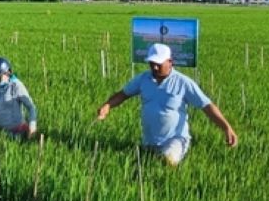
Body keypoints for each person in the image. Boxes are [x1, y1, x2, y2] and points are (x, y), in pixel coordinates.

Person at [96, 43, 237, 166]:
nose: (155, 67)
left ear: (170, 62)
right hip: (149, 141)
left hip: (175, 139)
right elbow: (123, 94)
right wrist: (107, 106)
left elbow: (206, 106)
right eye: (152, 63)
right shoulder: (143, 79)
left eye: (159, 64)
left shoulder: (183, 82)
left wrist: (226, 128)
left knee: (167, 160)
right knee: (134, 164)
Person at [0, 56, 38, 139]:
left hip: (15, 132)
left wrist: (32, 125)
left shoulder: (17, 86)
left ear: (7, 73)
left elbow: (31, 107)